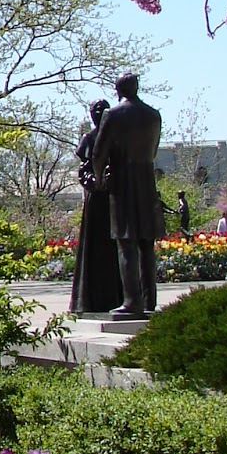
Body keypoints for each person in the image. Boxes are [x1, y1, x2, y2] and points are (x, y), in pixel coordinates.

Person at [91, 72, 164, 319]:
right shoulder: (154, 115)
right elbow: (153, 151)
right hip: (146, 182)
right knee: (146, 243)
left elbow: (99, 152)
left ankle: (132, 301)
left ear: (118, 90)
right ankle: (149, 300)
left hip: (123, 183)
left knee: (126, 242)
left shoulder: (113, 115)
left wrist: (99, 178)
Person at [69, 99, 122, 314]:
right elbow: (84, 169)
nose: (98, 113)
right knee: (93, 248)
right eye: (95, 110)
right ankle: (90, 300)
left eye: (102, 110)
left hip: (115, 197)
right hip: (96, 200)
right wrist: (93, 181)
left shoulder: (117, 136)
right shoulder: (88, 138)